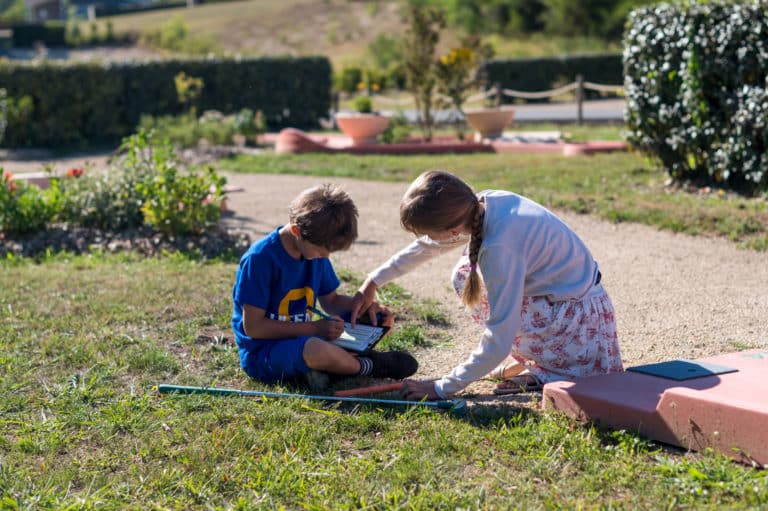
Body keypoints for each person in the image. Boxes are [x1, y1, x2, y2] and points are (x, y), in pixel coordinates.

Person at [350, 170, 623, 400]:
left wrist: (441, 387)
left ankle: (557, 369)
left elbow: (499, 339)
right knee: (464, 276)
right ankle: (546, 363)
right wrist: (373, 281)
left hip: (578, 328)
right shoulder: (484, 203)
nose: (428, 239)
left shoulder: (498, 248)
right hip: (572, 310)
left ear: (452, 232)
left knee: (465, 278)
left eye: (430, 233)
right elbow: (427, 248)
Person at [231, 183, 418, 390]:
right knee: (315, 350)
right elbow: (255, 328)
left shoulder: (314, 252)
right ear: (297, 231)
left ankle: (333, 366)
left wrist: (363, 307)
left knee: (378, 321)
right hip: (264, 352)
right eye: (321, 251)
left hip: (305, 337)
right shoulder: (260, 259)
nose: (326, 257)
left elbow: (332, 302)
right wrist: (315, 328)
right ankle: (369, 365)